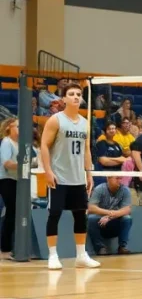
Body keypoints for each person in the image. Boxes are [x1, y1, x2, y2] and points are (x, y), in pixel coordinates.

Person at [39, 83, 99, 270]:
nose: (75, 97)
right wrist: (48, 171)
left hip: (78, 178)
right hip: (59, 177)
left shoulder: (84, 122)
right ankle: (53, 255)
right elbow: (44, 145)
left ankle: (81, 255)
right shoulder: (56, 120)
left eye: (78, 94)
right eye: (71, 94)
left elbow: (86, 150)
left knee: (80, 215)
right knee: (54, 214)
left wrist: (88, 173)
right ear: (63, 99)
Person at [86, 175, 133, 254]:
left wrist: (110, 217)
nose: (119, 181)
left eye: (120, 178)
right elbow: (91, 208)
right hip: (101, 221)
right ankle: (100, 248)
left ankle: (122, 247)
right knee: (91, 218)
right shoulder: (100, 189)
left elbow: (127, 210)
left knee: (127, 218)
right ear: (108, 178)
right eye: (117, 178)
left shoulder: (125, 190)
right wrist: (109, 213)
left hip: (115, 221)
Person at [0, 118, 19, 259]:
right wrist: (23, 165)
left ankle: (10, 247)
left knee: (14, 213)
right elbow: (6, 163)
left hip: (16, 180)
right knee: (11, 212)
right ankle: (4, 249)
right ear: (9, 128)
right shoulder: (7, 142)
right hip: (6, 180)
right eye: (17, 126)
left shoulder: (20, 144)